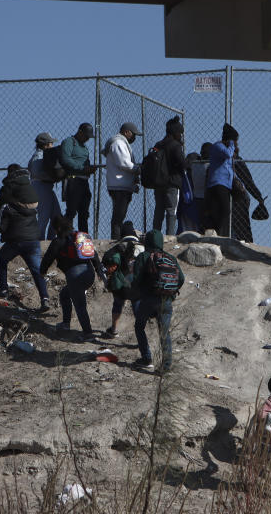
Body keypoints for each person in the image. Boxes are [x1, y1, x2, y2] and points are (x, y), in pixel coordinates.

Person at [0, 170, 51, 311]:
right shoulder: (31, 206)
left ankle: (4, 290)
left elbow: (1, 224)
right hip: (33, 241)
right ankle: (44, 298)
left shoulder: (9, 206)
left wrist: (4, 233)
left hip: (15, 241)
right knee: (37, 270)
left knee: (1, 260)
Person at [39, 216, 103, 339]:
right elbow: (93, 254)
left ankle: (88, 333)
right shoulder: (80, 239)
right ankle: (66, 324)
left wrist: (42, 272)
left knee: (80, 305)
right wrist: (98, 269)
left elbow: (48, 258)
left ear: (58, 228)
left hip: (75, 275)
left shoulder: (58, 241)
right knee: (64, 294)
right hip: (89, 273)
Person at [131, 229, 184, 373]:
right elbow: (182, 278)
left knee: (139, 326)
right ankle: (166, 366)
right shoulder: (170, 258)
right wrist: (171, 294)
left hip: (149, 299)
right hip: (166, 300)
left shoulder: (143, 256)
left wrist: (139, 293)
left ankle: (146, 358)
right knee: (164, 333)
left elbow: (136, 280)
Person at [100, 220, 145, 339]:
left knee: (118, 304)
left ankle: (114, 329)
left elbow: (106, 262)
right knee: (137, 308)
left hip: (121, 285)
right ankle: (141, 335)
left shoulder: (117, 247)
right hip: (137, 284)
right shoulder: (142, 248)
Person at [103, 122, 141, 239]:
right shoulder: (118, 143)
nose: (134, 137)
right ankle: (115, 238)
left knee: (120, 215)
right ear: (126, 132)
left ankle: (116, 237)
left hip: (121, 185)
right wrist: (138, 169)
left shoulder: (122, 143)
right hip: (119, 185)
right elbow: (123, 163)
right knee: (118, 215)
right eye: (133, 134)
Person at [152, 116, 187, 236]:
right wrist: (189, 161)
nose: (181, 136)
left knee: (159, 210)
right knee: (171, 210)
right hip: (171, 182)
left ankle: (155, 234)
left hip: (158, 182)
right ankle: (169, 236)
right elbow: (182, 163)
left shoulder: (158, 144)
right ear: (175, 132)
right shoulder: (175, 146)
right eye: (180, 133)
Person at [59, 122, 97, 233]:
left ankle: (83, 236)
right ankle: (65, 235)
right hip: (73, 180)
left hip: (84, 181)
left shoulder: (84, 148)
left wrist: (89, 169)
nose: (87, 139)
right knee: (71, 210)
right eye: (86, 136)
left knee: (84, 212)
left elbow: (86, 163)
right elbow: (65, 159)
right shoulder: (69, 142)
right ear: (80, 132)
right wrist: (82, 168)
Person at [205, 124, 240, 237]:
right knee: (224, 210)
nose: (235, 143)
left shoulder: (225, 149)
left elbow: (229, 168)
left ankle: (216, 232)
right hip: (218, 183)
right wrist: (231, 144)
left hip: (225, 185)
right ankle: (217, 232)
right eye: (234, 140)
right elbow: (228, 154)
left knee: (222, 211)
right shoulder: (218, 146)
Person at [28, 132, 64, 240]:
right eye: (51, 143)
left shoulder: (43, 155)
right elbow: (36, 173)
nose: (52, 145)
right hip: (41, 186)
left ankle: (50, 240)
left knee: (56, 215)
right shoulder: (39, 156)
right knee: (44, 215)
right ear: (45, 145)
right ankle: (39, 241)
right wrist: (53, 177)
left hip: (46, 187)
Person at [232, 148, 265, 243]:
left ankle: (246, 243)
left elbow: (248, 181)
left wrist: (258, 196)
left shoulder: (237, 161)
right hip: (234, 197)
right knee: (240, 225)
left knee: (241, 224)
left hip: (240, 197)